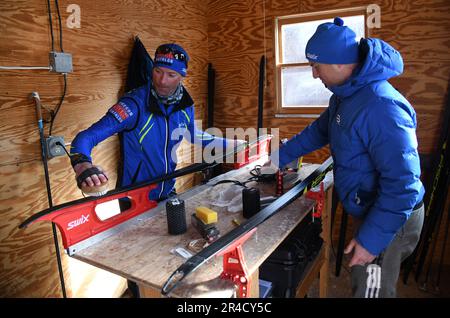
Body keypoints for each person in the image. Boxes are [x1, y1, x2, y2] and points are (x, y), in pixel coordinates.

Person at [269, 17, 425, 298]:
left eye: (316, 66)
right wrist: (277, 158)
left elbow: (404, 186)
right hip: (371, 208)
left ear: (340, 64)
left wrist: (372, 239)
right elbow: (318, 131)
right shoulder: (344, 94)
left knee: (371, 292)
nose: (314, 74)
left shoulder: (381, 106)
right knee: (363, 283)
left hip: (392, 216)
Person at [69, 43, 241, 297]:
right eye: (158, 71)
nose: (162, 80)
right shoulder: (133, 104)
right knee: (138, 271)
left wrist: (238, 144)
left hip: (167, 195)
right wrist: (83, 165)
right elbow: (85, 138)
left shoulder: (184, 104)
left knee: (171, 263)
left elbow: (197, 136)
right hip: (133, 201)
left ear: (182, 76)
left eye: (171, 75)